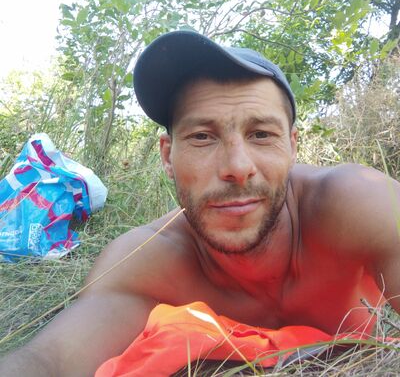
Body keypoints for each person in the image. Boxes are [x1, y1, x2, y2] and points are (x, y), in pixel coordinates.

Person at [1, 30, 400, 376]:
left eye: (261, 134)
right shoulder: (144, 265)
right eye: (202, 137)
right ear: (167, 155)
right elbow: (51, 361)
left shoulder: (354, 202)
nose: (237, 168)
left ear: (292, 146)